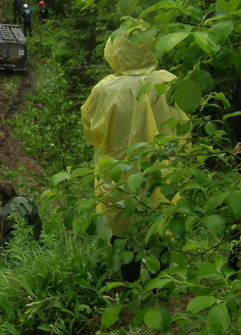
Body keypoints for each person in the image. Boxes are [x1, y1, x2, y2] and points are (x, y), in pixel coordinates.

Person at [81, 25, 189, 282]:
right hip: (164, 170)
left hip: (120, 175)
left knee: (123, 226)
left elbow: (92, 133)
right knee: (160, 223)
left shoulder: (105, 90)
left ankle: (129, 285)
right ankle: (162, 284)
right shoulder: (170, 82)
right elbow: (185, 127)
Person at [0, 182, 42, 248]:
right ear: (13, 191)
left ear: (0, 196)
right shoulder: (28, 199)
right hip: (38, 237)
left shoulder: (3, 213)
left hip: (21, 245)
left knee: (1, 243)